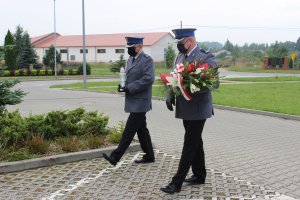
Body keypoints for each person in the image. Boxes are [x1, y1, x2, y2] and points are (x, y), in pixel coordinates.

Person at [160, 28, 219, 194]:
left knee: (189, 144)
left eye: (180, 43)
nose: (178, 46)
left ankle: (176, 182)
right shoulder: (180, 56)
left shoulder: (205, 56)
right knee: (196, 142)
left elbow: (214, 83)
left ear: (190, 41)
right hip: (185, 108)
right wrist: (170, 95)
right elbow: (174, 78)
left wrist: (191, 86)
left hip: (199, 109)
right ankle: (199, 175)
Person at [103, 36, 155, 166]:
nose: (129, 50)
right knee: (141, 129)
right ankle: (149, 155)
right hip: (133, 99)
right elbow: (128, 77)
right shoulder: (130, 59)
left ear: (140, 47)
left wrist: (130, 87)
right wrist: (123, 87)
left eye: (131, 48)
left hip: (141, 101)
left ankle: (115, 156)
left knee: (129, 129)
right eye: (128, 48)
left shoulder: (147, 60)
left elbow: (149, 79)